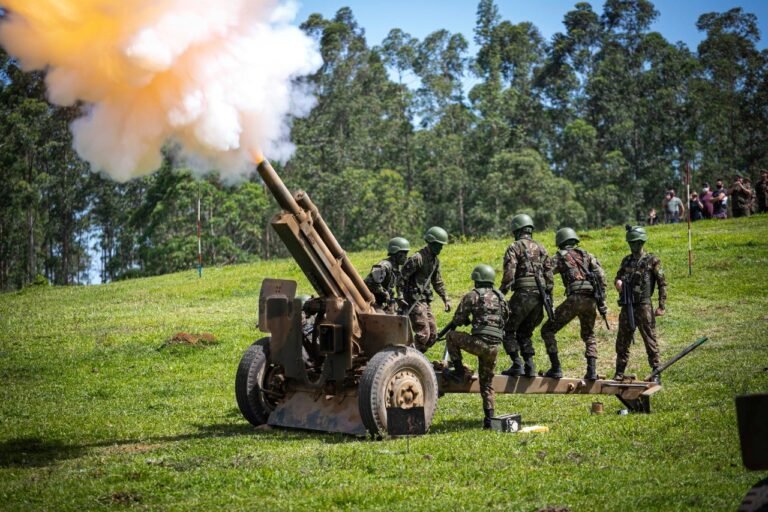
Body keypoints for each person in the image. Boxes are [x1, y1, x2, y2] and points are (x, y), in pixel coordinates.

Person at [444, 264, 509, 429]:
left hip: (479, 344)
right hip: (495, 347)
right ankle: (489, 421)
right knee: (487, 384)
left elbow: (458, 319)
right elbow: (506, 317)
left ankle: (459, 372)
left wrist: (467, 320)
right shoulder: (501, 297)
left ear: (478, 280)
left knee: (451, 337)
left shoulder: (473, 296)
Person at [540, 228, 607, 380]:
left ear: (560, 242)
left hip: (574, 299)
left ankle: (556, 368)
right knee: (589, 335)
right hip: (590, 300)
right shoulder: (587, 255)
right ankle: (591, 371)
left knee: (547, 330)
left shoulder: (560, 256)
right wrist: (602, 302)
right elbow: (601, 277)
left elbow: (547, 271)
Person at [499, 214, 554, 377]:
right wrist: (548, 297)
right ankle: (529, 365)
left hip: (523, 294)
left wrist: (501, 293)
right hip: (540, 298)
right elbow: (549, 275)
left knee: (507, 328)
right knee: (525, 332)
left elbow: (509, 274)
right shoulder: (542, 248)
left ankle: (517, 363)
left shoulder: (514, 247)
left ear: (516, 230)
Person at [613, 225, 667, 384]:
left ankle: (656, 372)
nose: (634, 246)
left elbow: (662, 283)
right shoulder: (626, 260)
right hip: (627, 305)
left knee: (650, 339)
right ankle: (619, 372)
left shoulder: (652, 260)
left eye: (636, 242)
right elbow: (618, 277)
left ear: (642, 242)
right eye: (631, 243)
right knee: (622, 340)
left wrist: (661, 305)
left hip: (644, 305)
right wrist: (618, 283)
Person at [401, 227, 451, 352]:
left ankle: (418, 357)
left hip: (425, 301)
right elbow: (401, 277)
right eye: (438, 245)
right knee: (423, 334)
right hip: (414, 301)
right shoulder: (417, 258)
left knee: (433, 335)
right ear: (431, 243)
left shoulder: (435, 261)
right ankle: (408, 356)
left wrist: (446, 299)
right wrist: (400, 297)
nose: (440, 248)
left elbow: (437, 282)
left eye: (441, 246)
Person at [364, 237, 410, 313]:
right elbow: (369, 282)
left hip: (383, 302)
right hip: (372, 301)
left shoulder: (396, 268)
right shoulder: (384, 266)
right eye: (404, 253)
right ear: (397, 254)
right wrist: (384, 293)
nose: (406, 257)